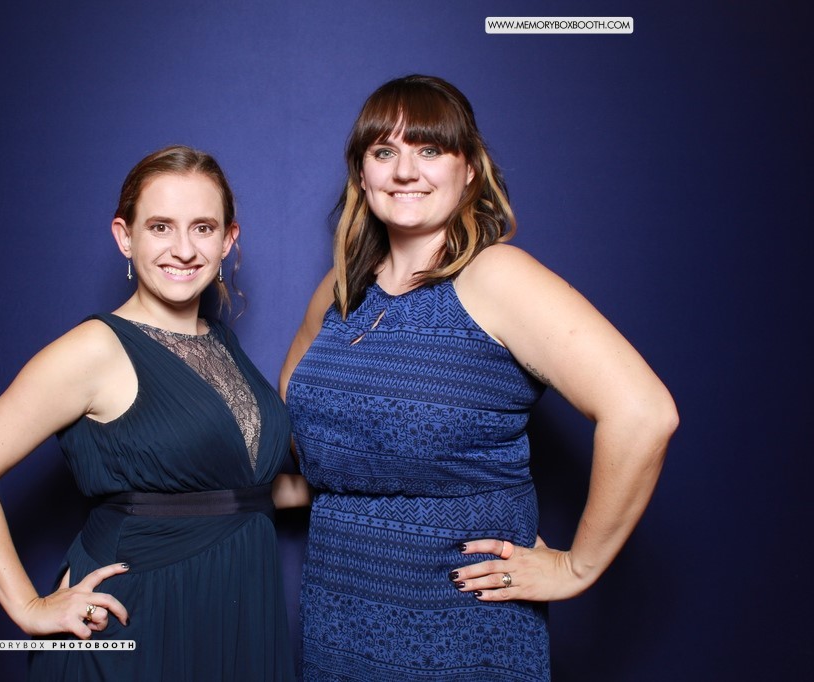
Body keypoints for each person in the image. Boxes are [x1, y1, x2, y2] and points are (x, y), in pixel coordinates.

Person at [280, 75, 679, 680]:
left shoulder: (496, 277)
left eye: (430, 149)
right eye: (384, 152)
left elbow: (644, 413)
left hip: (460, 626)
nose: (405, 171)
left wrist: (577, 567)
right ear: (362, 174)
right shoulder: (341, 291)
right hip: (338, 615)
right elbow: (297, 405)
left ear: (469, 169)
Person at [0, 145, 297, 681]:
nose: (183, 249)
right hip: (141, 617)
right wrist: (28, 606)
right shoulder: (94, 349)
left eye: (202, 228)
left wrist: (376, 492)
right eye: (160, 227)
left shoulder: (219, 341)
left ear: (228, 240)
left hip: (235, 608)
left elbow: (237, 490)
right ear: (125, 237)